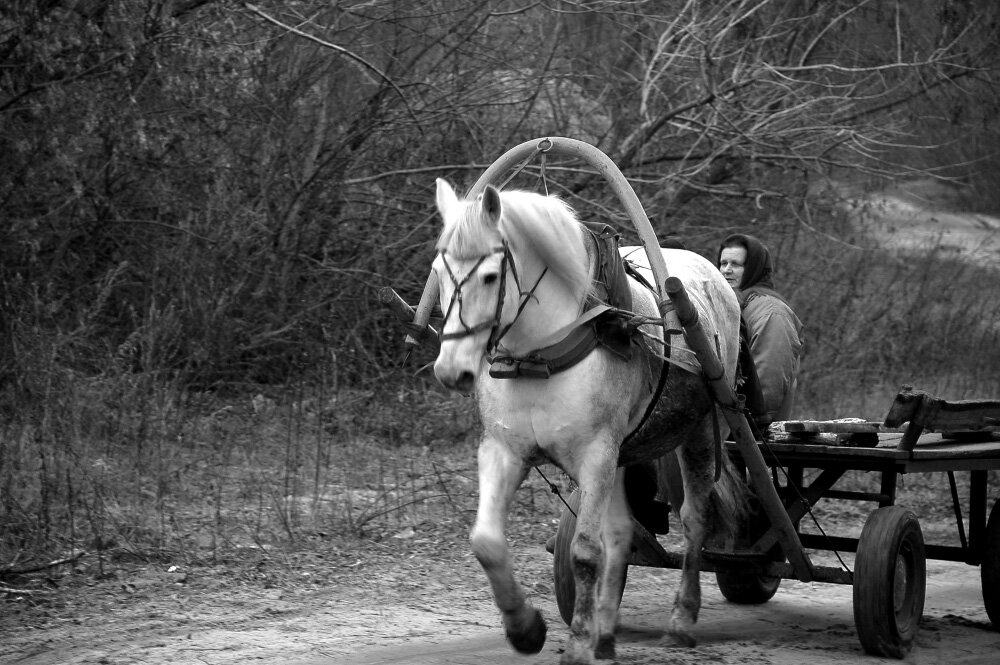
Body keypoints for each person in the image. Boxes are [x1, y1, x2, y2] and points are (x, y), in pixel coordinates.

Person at [718, 233, 804, 425]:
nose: (727, 270)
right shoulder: (731, 306)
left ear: (754, 268)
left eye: (736, 264)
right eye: (723, 263)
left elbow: (768, 380)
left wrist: (749, 424)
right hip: (727, 427)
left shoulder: (771, 313)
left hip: (755, 435)